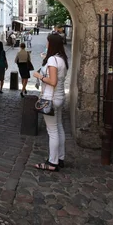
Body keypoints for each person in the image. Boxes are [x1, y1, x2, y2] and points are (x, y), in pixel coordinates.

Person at [33, 33, 69, 172]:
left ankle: (52, 162)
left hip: (50, 99)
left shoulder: (53, 60)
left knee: (52, 131)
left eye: (48, 42)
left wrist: (39, 76)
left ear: (52, 44)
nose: (46, 44)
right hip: (59, 97)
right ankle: (60, 158)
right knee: (59, 127)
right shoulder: (62, 59)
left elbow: (52, 81)